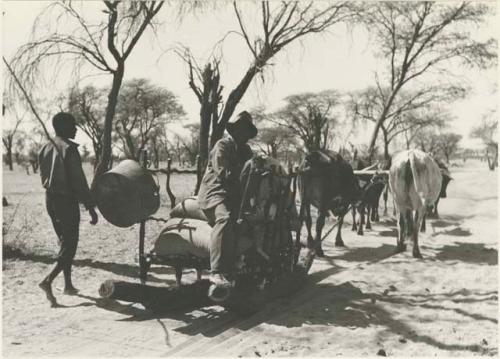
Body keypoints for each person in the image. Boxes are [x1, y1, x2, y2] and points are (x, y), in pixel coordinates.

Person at [38, 112, 98, 307]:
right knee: (70, 244)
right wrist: (91, 207)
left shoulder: (45, 148)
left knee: (64, 242)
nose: (76, 128)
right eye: (73, 125)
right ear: (63, 127)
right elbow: (79, 182)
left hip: (50, 200)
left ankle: (68, 285)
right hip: (66, 201)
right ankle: (48, 281)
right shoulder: (70, 149)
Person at [198, 111, 257, 289]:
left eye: (247, 131)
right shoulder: (222, 145)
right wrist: (247, 170)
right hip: (215, 193)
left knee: (252, 221)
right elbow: (225, 173)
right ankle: (217, 271)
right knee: (224, 219)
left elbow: (251, 173)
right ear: (235, 131)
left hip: (235, 197)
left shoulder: (246, 150)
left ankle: (244, 265)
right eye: (242, 130)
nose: (244, 135)